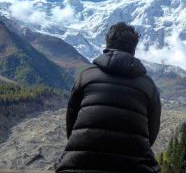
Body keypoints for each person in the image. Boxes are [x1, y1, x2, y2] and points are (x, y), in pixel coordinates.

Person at [55, 22, 161, 173]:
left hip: (78, 164)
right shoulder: (149, 86)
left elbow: (71, 124)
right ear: (134, 50)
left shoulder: (85, 76)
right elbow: (152, 134)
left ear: (107, 44)